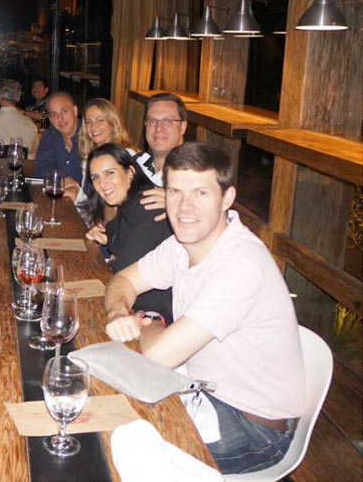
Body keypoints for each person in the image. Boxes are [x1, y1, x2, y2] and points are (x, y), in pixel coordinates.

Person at [103, 142, 304, 475]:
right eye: (175, 192)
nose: (184, 207)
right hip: (202, 387)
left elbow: (157, 357)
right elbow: (123, 281)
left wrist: (149, 320)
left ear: (226, 198)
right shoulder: (183, 244)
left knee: (114, 446)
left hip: (254, 425)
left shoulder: (241, 264)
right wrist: (116, 312)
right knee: (106, 407)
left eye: (200, 193)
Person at [82, 143, 173, 324]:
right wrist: (106, 238)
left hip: (151, 316)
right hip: (128, 305)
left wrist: (114, 252)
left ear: (130, 172)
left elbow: (121, 270)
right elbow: (123, 239)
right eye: (96, 178)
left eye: (110, 173)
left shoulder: (147, 205)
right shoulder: (128, 206)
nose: (103, 184)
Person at [33, 92, 84, 201]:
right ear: (50, 119)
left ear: (75, 111)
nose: (60, 118)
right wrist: (63, 179)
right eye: (54, 114)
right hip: (62, 202)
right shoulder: (50, 136)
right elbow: (41, 167)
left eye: (64, 111)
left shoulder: (91, 134)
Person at [135, 92, 188, 186]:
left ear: (182, 127)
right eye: (152, 121)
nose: (158, 128)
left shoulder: (195, 173)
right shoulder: (134, 164)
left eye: (167, 121)